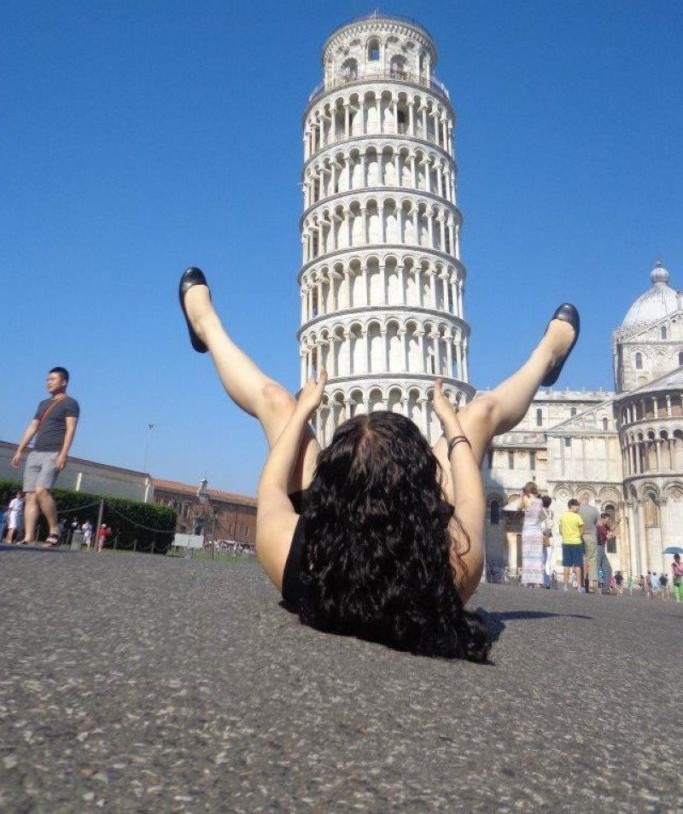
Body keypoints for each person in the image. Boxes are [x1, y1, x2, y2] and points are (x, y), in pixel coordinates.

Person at [178, 266, 579, 661]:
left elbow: (270, 487)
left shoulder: (297, 556)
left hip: (331, 544)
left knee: (273, 399)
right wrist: (453, 425)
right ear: (424, 486)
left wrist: (301, 413)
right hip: (405, 537)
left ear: (331, 481)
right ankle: (545, 357)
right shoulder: (451, 567)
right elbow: (470, 493)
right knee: (484, 412)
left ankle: (207, 326)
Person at [11, 367, 80, 546]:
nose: (48, 382)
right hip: (36, 452)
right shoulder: (42, 404)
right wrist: (20, 450)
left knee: (42, 490)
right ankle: (28, 537)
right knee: (30, 496)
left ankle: (54, 531)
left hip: (54, 452)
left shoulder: (70, 403)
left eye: (52, 379)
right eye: (47, 379)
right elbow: (32, 427)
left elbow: (71, 429)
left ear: (63, 382)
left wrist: (64, 454)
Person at [517, 482, 544, 587]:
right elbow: (541, 515)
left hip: (528, 530)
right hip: (537, 531)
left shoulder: (525, 499)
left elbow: (518, 507)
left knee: (527, 556)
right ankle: (537, 581)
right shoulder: (540, 501)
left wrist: (521, 496)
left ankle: (527, 580)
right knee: (537, 557)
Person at [558, 499, 584, 592]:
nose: (578, 508)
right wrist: (577, 535)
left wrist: (566, 535)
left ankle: (565, 586)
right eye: (577, 506)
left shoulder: (562, 516)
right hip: (576, 542)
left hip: (566, 542)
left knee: (566, 565)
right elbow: (582, 530)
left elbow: (560, 530)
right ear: (572, 506)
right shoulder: (577, 517)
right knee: (578, 565)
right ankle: (579, 586)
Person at [578, 497, 600, 593]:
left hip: (579, 536)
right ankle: (591, 583)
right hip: (591, 536)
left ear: (580, 502)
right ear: (588, 502)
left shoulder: (577, 510)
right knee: (592, 559)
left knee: (582, 559)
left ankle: (581, 583)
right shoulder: (594, 510)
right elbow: (599, 524)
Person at [596, 511, 615, 593]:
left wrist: (617, 523)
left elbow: (611, 529)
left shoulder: (604, 527)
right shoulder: (600, 527)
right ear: (603, 519)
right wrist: (611, 535)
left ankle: (606, 589)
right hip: (598, 548)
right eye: (607, 519)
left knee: (608, 568)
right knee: (596, 567)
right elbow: (608, 536)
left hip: (602, 549)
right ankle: (591, 585)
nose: (608, 521)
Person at [541, 495, 554, 588]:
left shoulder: (540, 512)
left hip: (541, 537)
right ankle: (547, 582)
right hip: (549, 537)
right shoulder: (551, 513)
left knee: (541, 560)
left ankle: (541, 581)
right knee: (548, 561)